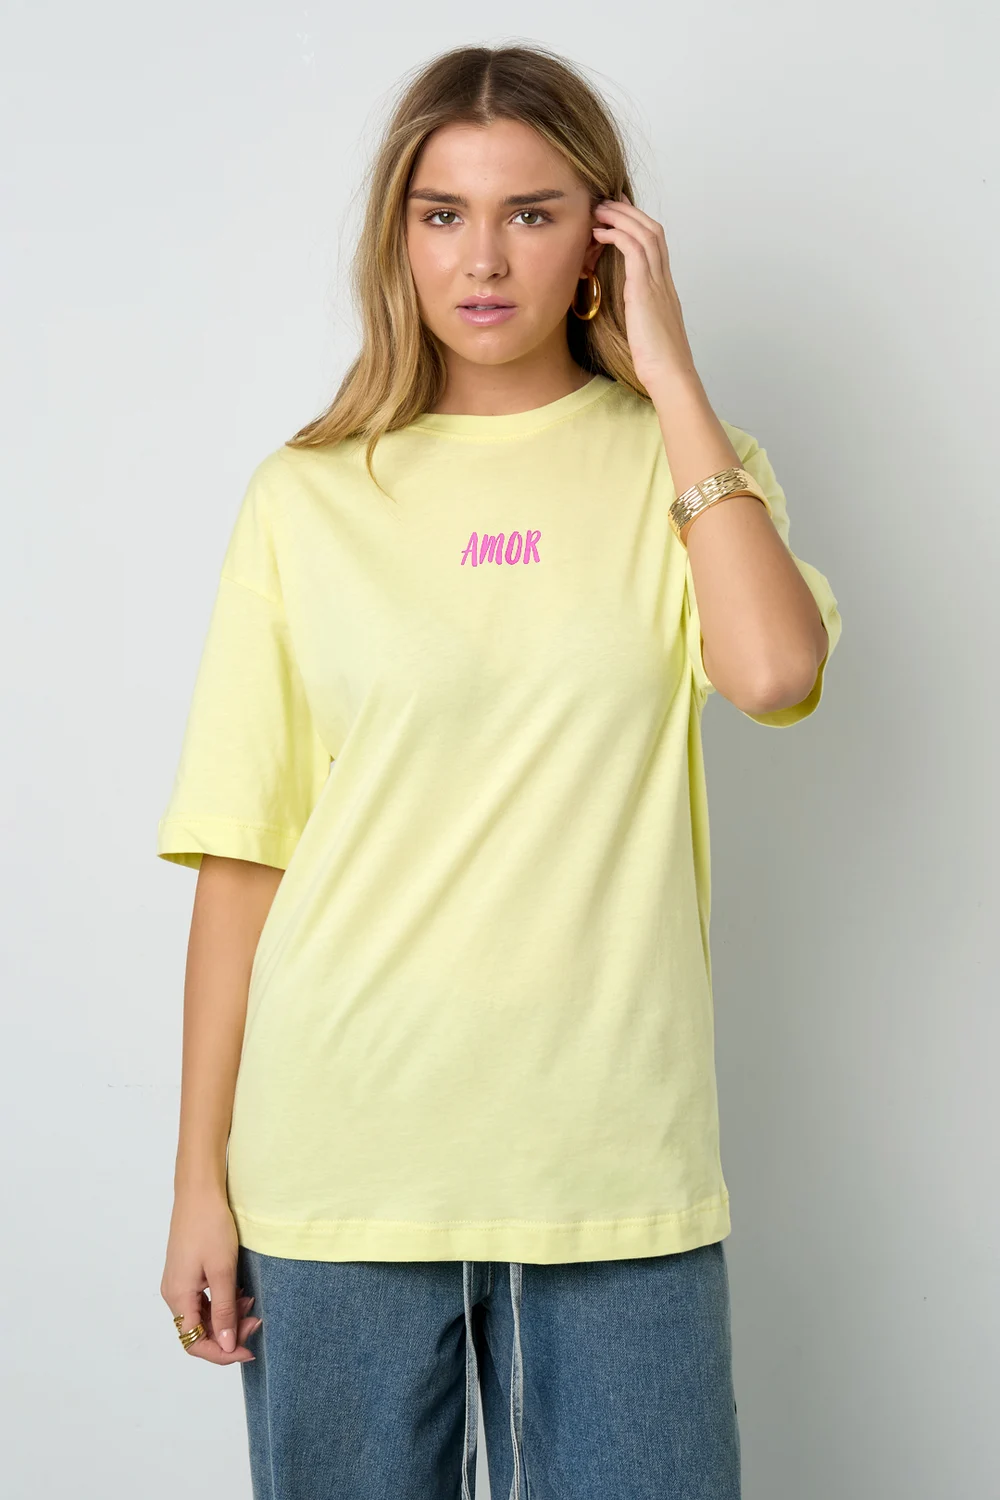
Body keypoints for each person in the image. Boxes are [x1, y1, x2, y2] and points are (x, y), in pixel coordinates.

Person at [156, 41, 842, 1500]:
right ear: (398, 239)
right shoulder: (306, 497)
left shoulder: (689, 468)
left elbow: (776, 673)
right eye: (443, 213)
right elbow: (244, 855)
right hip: (339, 1159)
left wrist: (671, 375)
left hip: (614, 1170)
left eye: (532, 212)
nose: (483, 258)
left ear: (604, 239)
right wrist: (197, 1181)